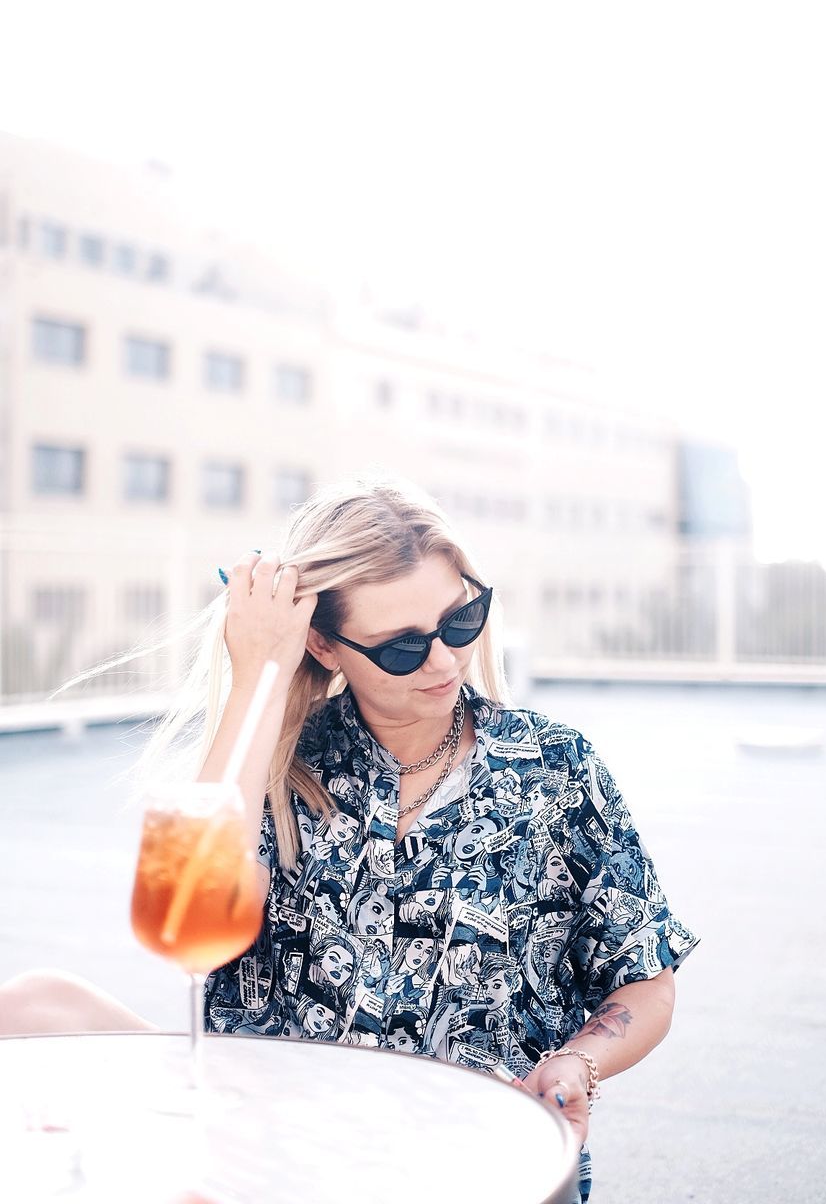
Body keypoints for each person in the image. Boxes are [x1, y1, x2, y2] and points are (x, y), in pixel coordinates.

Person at [0, 475, 698, 1202]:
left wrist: (579, 1062)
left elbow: (645, 981)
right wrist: (259, 673)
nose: (442, 661)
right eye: (400, 647)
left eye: (459, 621)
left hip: (467, 1152)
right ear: (326, 648)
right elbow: (190, 908)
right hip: (276, 1139)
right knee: (31, 1004)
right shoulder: (278, 765)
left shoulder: (555, 765)